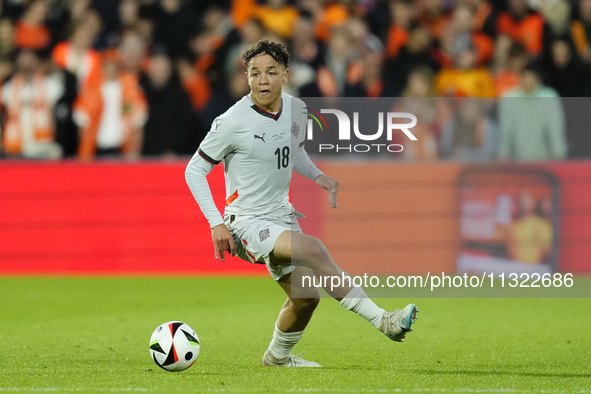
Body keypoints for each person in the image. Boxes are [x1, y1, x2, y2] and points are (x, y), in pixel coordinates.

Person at [185, 38, 418, 368]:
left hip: (281, 214)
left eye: (270, 72)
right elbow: (194, 170)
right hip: (246, 221)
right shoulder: (231, 122)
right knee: (314, 249)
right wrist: (216, 222)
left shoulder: (296, 109)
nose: (262, 80)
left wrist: (317, 175)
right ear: (247, 77)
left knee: (306, 297)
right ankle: (384, 321)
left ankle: (277, 358)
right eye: (254, 73)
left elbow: (292, 151)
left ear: (285, 74)